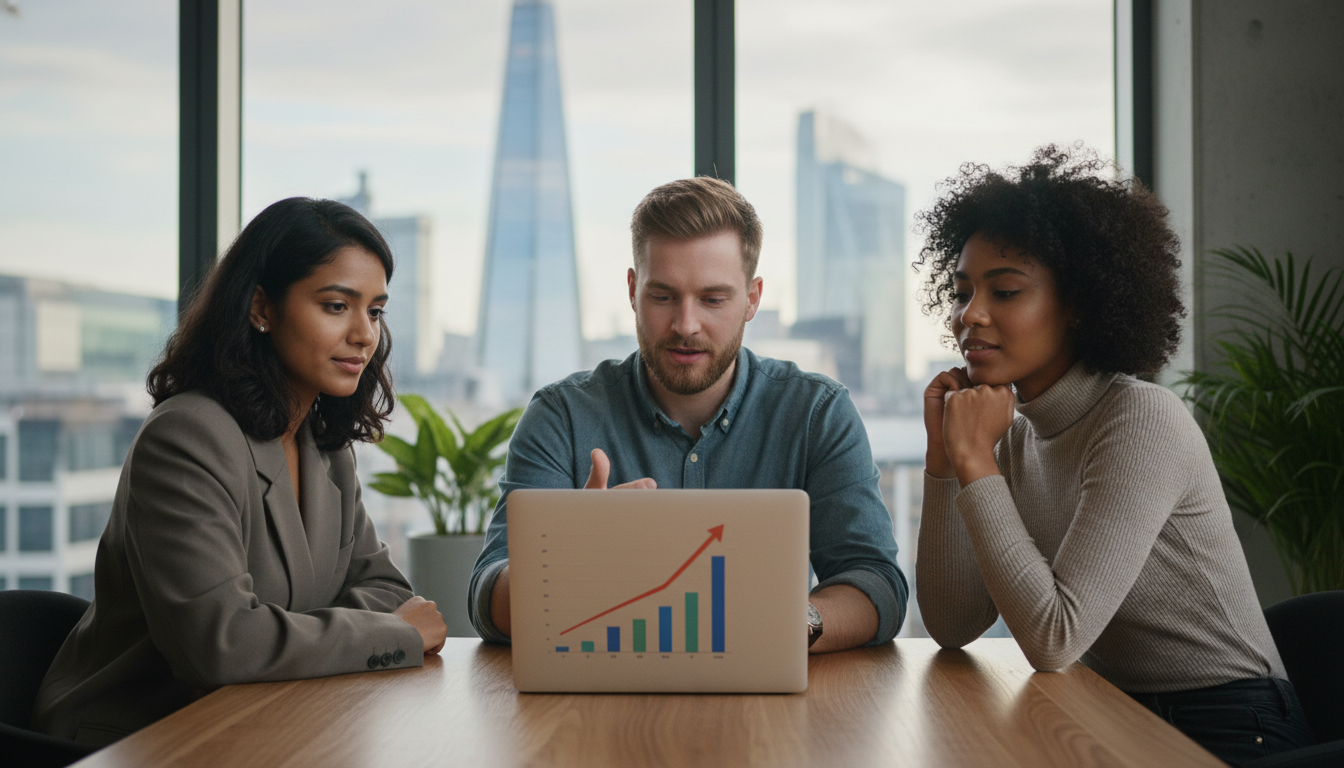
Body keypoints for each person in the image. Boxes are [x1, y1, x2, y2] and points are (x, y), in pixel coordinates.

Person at [914, 145, 1315, 766]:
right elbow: (951, 624)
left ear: (1078, 305)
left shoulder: (1140, 419)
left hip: (1233, 725)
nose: (971, 314)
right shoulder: (1017, 435)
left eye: (1006, 290)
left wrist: (975, 462)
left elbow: (1054, 638)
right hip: (1109, 706)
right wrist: (946, 456)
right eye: (964, 291)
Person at [33, 198, 448, 747]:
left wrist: (279, 633)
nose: (364, 335)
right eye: (335, 306)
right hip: (138, 738)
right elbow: (221, 643)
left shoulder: (325, 447)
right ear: (261, 308)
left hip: (272, 722)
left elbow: (386, 588)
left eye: (374, 311)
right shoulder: (187, 436)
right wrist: (388, 633)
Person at [469, 177, 907, 652]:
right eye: (663, 297)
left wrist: (790, 624)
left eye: (713, 299)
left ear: (753, 299)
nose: (686, 325)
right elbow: (487, 597)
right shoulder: (562, 415)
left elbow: (876, 582)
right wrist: (570, 560)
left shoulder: (816, 411)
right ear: (633, 290)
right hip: (598, 707)